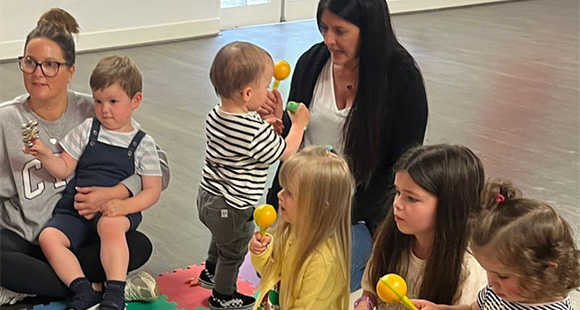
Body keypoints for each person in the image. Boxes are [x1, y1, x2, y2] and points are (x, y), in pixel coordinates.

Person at [0, 8, 169, 306]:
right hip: (27, 238)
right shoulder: (6, 119)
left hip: (81, 232)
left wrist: (115, 193)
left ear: (70, 70)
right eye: (30, 63)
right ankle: (101, 287)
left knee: (137, 244)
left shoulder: (97, 110)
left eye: (50, 65)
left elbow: (160, 168)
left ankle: (37, 286)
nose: (38, 73)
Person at [260, 0, 428, 291]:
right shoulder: (312, 62)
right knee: (276, 272)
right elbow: (297, 140)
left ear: (369, 31)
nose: (329, 40)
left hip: (357, 213)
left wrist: (334, 212)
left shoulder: (401, 79)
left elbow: (401, 168)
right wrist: (279, 124)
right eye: (324, 28)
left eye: (340, 31)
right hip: (299, 202)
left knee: (322, 279)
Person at [24, 55, 162, 310]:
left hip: (116, 212)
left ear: (135, 101)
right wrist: (44, 154)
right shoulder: (89, 129)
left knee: (110, 226)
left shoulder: (143, 144)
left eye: (112, 102)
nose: (104, 109)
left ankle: (115, 292)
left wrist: (124, 206)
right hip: (76, 210)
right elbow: (65, 168)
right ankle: (83, 289)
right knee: (49, 237)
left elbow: (152, 190)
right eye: (98, 101)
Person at [195, 41, 310, 310]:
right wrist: (300, 125)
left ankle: (210, 272)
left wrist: (265, 124)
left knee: (221, 238)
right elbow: (286, 152)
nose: (269, 91)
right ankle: (223, 295)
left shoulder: (217, 115)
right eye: (266, 86)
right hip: (234, 205)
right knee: (234, 251)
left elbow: (243, 138)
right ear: (247, 93)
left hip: (208, 198)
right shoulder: (252, 132)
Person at [353, 144, 488, 310]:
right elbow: (371, 289)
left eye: (411, 198)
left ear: (449, 206)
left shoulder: (468, 269)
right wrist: (365, 302)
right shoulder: (390, 237)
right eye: (397, 192)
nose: (397, 204)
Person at [412, 179, 580, 310]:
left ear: (546, 271)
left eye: (503, 276)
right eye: (488, 272)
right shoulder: (500, 293)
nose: (491, 282)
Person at [249, 146, 352, 310]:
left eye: (290, 193)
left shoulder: (323, 261)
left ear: (319, 206)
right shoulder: (289, 232)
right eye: (283, 188)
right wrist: (261, 253)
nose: (279, 195)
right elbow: (270, 274)